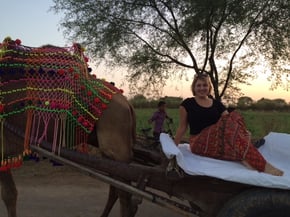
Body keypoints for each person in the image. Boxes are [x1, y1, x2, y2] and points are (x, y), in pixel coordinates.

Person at [174, 72, 283, 176]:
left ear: (209, 87)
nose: (202, 88)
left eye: (205, 85)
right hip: (199, 141)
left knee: (234, 116)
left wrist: (242, 131)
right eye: (198, 85)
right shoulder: (187, 104)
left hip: (217, 139)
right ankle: (261, 164)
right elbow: (182, 127)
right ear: (194, 88)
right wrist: (174, 147)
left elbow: (230, 120)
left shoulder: (216, 104)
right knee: (230, 125)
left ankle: (247, 157)